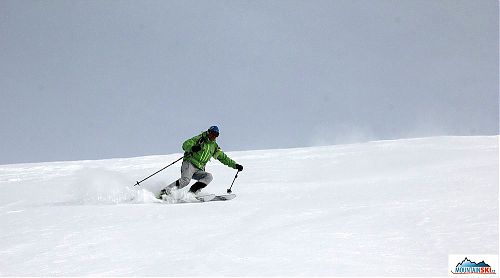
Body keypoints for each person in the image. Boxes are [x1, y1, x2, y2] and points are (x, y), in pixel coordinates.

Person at [158, 126, 243, 198]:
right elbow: (185, 145)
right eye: (212, 133)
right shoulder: (199, 139)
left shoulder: (214, 147)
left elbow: (223, 158)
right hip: (189, 163)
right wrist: (192, 148)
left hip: (199, 168)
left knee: (208, 177)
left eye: (216, 135)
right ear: (208, 132)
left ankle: (191, 193)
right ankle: (165, 192)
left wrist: (235, 165)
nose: (214, 136)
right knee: (185, 181)